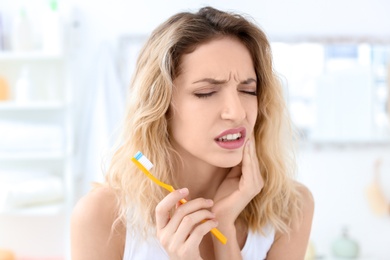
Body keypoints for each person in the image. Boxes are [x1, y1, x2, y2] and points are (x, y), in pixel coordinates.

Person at [71, 6, 314, 260]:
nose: (237, 112)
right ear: (161, 105)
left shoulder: (292, 208)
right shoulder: (102, 216)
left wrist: (224, 230)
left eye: (248, 90)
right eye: (206, 92)